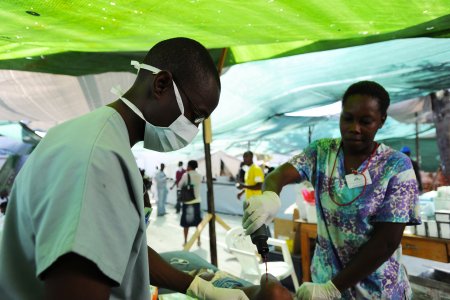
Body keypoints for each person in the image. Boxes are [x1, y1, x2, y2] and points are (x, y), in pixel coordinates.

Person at [0, 37, 249, 299]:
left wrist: (197, 287)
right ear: (161, 85)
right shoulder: (99, 159)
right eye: (195, 116)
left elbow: (123, 249)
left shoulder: (97, 137)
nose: (194, 129)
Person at [243, 81, 420, 299]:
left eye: (365, 121)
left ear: (381, 121)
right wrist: (270, 196)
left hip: (375, 290)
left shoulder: (396, 166)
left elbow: (386, 242)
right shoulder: (323, 152)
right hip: (324, 282)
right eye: (347, 118)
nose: (355, 128)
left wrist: (331, 289)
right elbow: (277, 176)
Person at [179, 160, 202, 246]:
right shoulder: (200, 175)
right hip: (197, 201)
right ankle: (198, 241)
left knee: (186, 223)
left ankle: (185, 241)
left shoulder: (186, 175)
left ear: (189, 166)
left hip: (188, 202)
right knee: (197, 222)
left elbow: (180, 185)